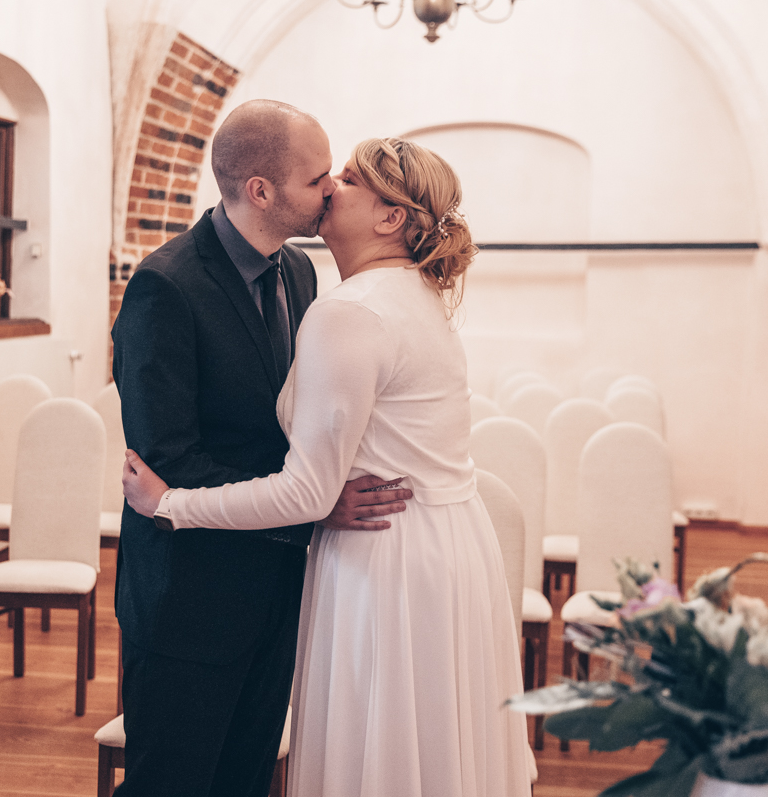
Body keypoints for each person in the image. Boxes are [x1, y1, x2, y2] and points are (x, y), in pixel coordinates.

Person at [123, 137, 533, 796]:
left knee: (382, 757)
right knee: (424, 753)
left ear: (390, 217)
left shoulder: (341, 301)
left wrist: (171, 504)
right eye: (324, 174)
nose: (330, 187)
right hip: (429, 551)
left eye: (344, 177)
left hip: (386, 559)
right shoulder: (401, 293)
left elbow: (309, 488)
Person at [111, 101, 412, 797]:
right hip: (192, 594)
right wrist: (310, 504)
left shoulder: (299, 273)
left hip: (276, 586)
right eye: (317, 178)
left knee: (246, 780)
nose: (333, 188)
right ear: (260, 192)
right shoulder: (166, 286)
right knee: (172, 782)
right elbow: (168, 461)